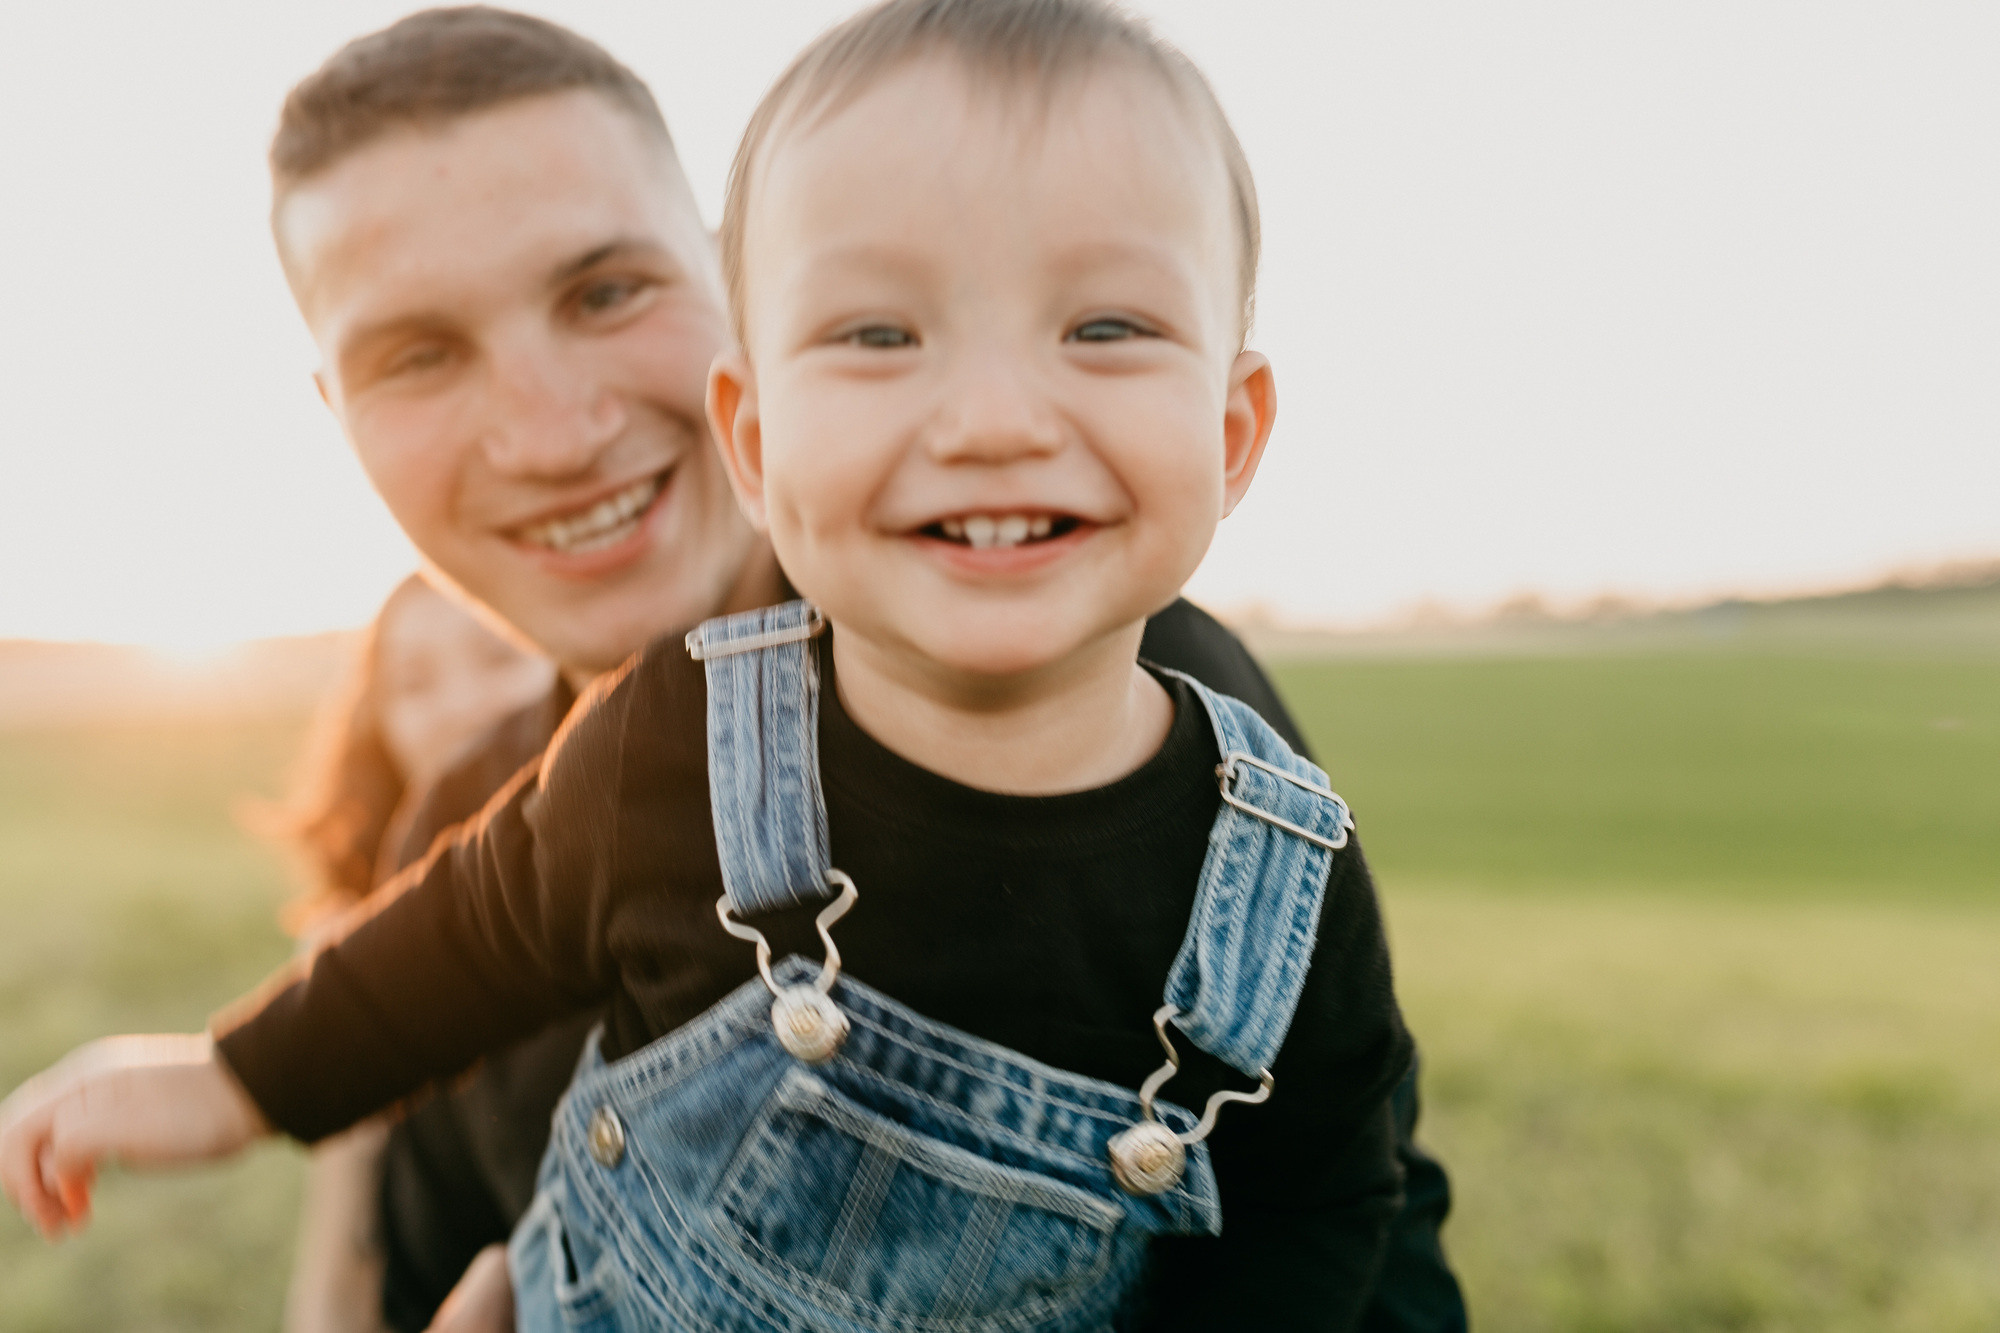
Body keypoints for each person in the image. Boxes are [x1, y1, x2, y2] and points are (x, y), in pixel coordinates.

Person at [8, 8, 1462, 1330]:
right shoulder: (481, 819)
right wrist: (244, 1082)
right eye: (419, 354)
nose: (549, 431)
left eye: (602, 291)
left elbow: (1341, 1223)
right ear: (758, 416)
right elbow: (413, 1163)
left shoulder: (1161, 740)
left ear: (730, 288)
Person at [246, 573, 554, 1333]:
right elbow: (336, 1273)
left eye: (500, 655)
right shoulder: (356, 938)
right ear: (375, 723)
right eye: (415, 682)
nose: (462, 706)